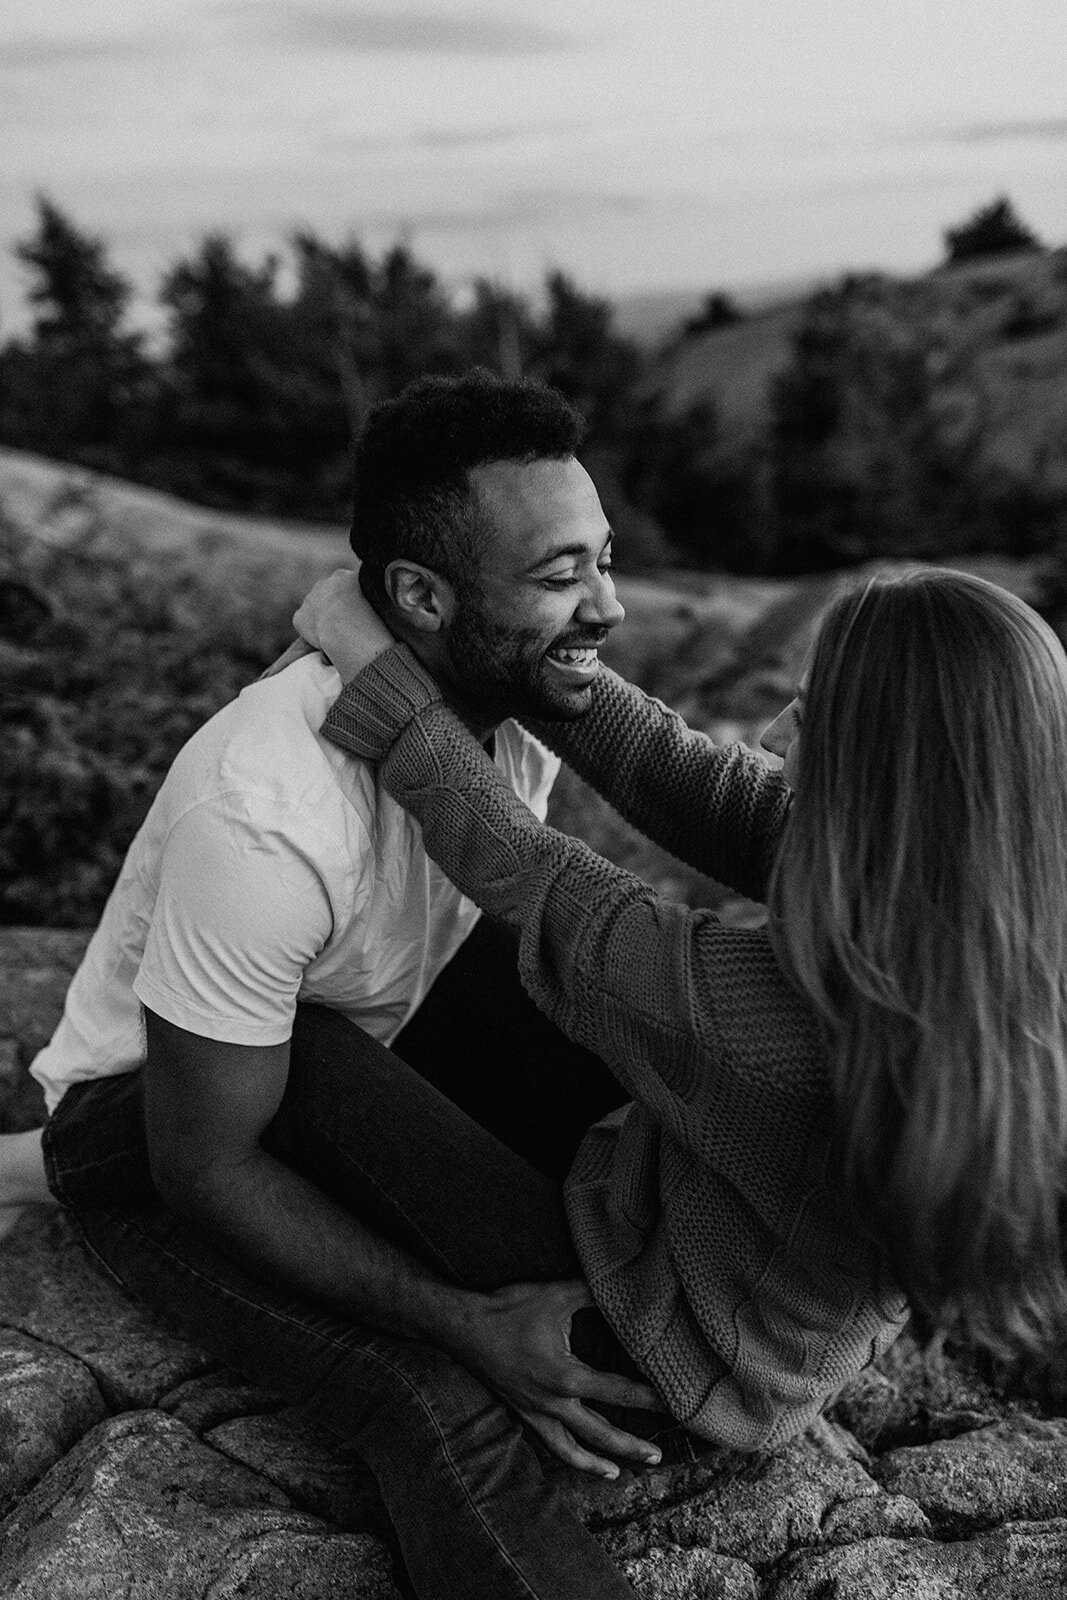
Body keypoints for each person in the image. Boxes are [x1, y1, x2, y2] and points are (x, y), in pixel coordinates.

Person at [1, 371, 698, 1600]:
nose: (609, 604)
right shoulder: (264, 810)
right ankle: (47, 1161)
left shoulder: (514, 687)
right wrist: (454, 1319)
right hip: (166, 1132)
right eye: (559, 576)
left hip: (380, 1034)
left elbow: (697, 788)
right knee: (442, 1381)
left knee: (642, 1006)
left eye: (601, 559)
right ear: (423, 599)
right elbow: (201, 1164)